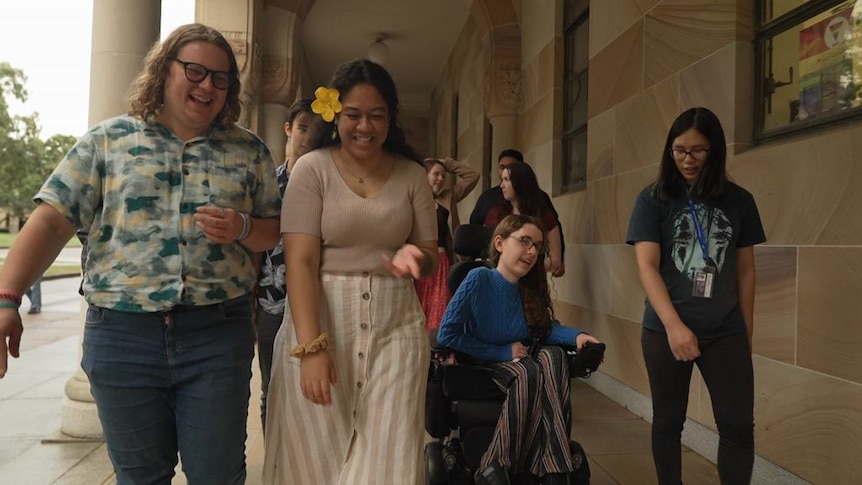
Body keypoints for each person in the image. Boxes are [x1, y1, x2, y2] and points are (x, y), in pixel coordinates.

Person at [0, 23, 282, 484]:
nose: (207, 85)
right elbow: (52, 220)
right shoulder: (107, 141)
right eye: (195, 71)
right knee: (140, 478)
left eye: (220, 77)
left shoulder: (248, 150)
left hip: (216, 334)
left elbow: (273, 231)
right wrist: (7, 299)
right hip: (122, 336)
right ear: (164, 70)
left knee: (218, 474)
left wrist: (243, 227)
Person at [262, 58, 438, 484]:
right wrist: (312, 348)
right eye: (354, 115)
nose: (365, 127)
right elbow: (300, 261)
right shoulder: (312, 169)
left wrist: (415, 258)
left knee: (389, 454)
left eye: (377, 116)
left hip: (396, 326)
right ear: (334, 114)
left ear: (391, 118)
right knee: (312, 457)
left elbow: (430, 250)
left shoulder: (413, 175)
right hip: (322, 318)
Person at [625, 107, 765, 485]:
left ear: (715, 150)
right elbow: (646, 267)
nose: (687, 159)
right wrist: (674, 327)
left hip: (725, 329)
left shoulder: (740, 201)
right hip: (665, 329)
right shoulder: (653, 199)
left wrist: (745, 333)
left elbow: (746, 271)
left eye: (698, 151)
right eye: (679, 150)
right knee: (669, 421)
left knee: (737, 426)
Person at [438, 214, 600, 485]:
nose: (532, 251)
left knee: (554, 355)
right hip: (483, 361)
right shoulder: (479, 278)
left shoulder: (530, 287)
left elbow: (545, 329)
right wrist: (501, 353)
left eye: (537, 246)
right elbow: (447, 333)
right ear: (500, 243)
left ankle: (553, 466)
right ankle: (494, 464)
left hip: (518, 358)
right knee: (527, 371)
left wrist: (580, 336)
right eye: (525, 241)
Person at [254, 96, 320, 433]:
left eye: (315, 129)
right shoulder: (269, 184)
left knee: (311, 392)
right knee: (271, 389)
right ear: (288, 129)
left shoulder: (328, 186)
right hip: (271, 302)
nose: (308, 136)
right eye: (303, 127)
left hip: (317, 303)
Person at [470, 149, 566, 273]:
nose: (501, 185)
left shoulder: (543, 213)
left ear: (520, 182)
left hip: (532, 283)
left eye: (507, 180)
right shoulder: (497, 213)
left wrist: (528, 271)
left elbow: (555, 259)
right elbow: (489, 251)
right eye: (502, 179)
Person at [415, 156, 479, 333]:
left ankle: (438, 353)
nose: (440, 179)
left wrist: (447, 164)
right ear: (424, 175)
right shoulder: (413, 197)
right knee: (419, 309)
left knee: (440, 309)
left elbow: (472, 176)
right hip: (418, 263)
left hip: (441, 262)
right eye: (436, 174)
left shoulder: (448, 197)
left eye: (443, 176)